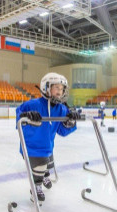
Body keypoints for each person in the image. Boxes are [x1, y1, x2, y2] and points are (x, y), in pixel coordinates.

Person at [16, 73, 80, 203]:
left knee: (48, 164)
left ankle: (45, 175)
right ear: (46, 88)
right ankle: (36, 187)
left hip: (48, 146)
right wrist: (26, 116)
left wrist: (70, 122)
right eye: (56, 88)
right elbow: (19, 117)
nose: (60, 92)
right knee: (39, 168)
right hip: (32, 147)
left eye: (62, 89)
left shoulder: (61, 109)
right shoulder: (33, 105)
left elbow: (62, 131)